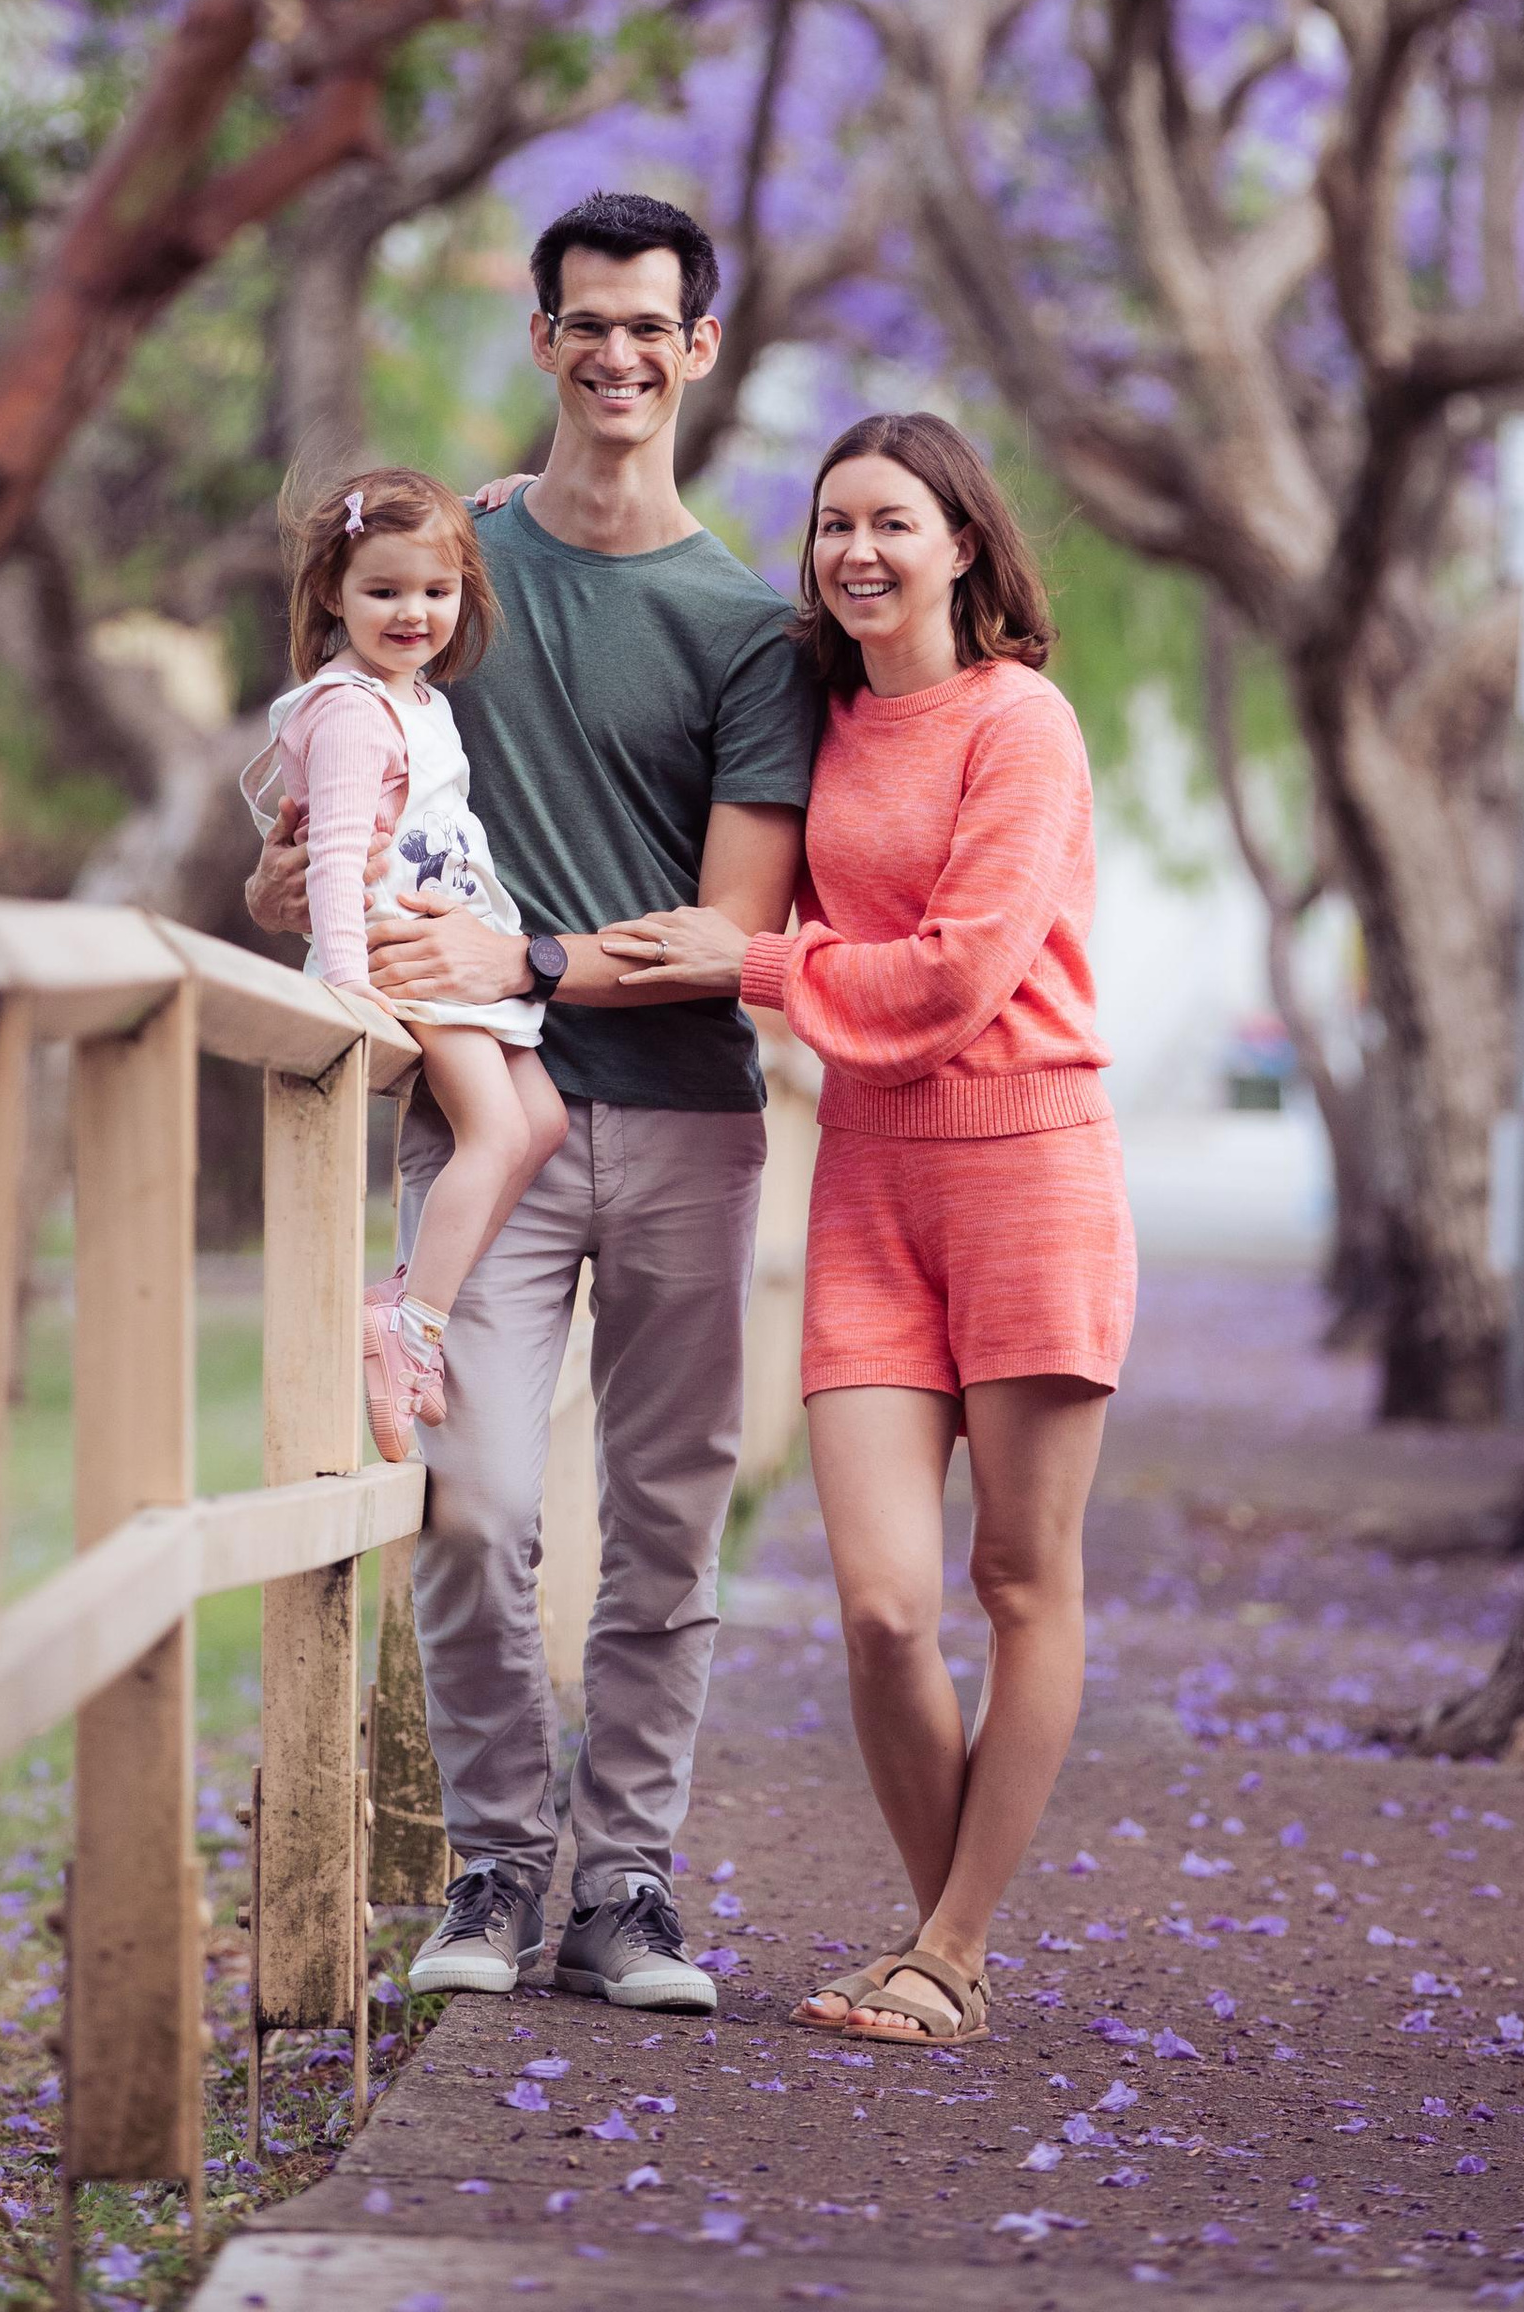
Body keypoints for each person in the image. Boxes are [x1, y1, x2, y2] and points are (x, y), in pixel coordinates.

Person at [247, 188, 817, 2014]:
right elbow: (336, 818)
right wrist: (296, 894)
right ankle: (498, 1869)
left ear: (700, 348)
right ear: (545, 338)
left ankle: (627, 1886)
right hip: (479, 1119)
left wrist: (525, 959)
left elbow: (735, 932)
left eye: (655, 325)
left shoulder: (747, 628)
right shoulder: (456, 574)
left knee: (665, 1514)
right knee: (476, 1503)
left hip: (680, 1117)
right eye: (590, 322)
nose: (621, 353)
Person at [602, 409, 1132, 2049]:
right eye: (834, 524)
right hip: (872, 1184)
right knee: (886, 1605)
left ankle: (945, 1949)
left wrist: (747, 968)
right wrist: (499, 514)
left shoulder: (1020, 724)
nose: (858, 551)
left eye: (894, 522)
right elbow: (646, 606)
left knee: (1019, 1582)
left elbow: (963, 975)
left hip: (1031, 1168)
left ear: (964, 542)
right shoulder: (813, 714)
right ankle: (945, 1953)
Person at [249, 464, 566, 1462]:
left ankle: (403, 1297)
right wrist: (348, 990)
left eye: (436, 591)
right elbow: (337, 856)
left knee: (542, 1122)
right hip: (401, 955)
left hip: (451, 939)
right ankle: (411, 1324)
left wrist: (480, 505)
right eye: (382, 591)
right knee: (496, 1129)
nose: (413, 612)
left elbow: (427, 538)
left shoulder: (415, 695)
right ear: (333, 594)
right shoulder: (349, 711)